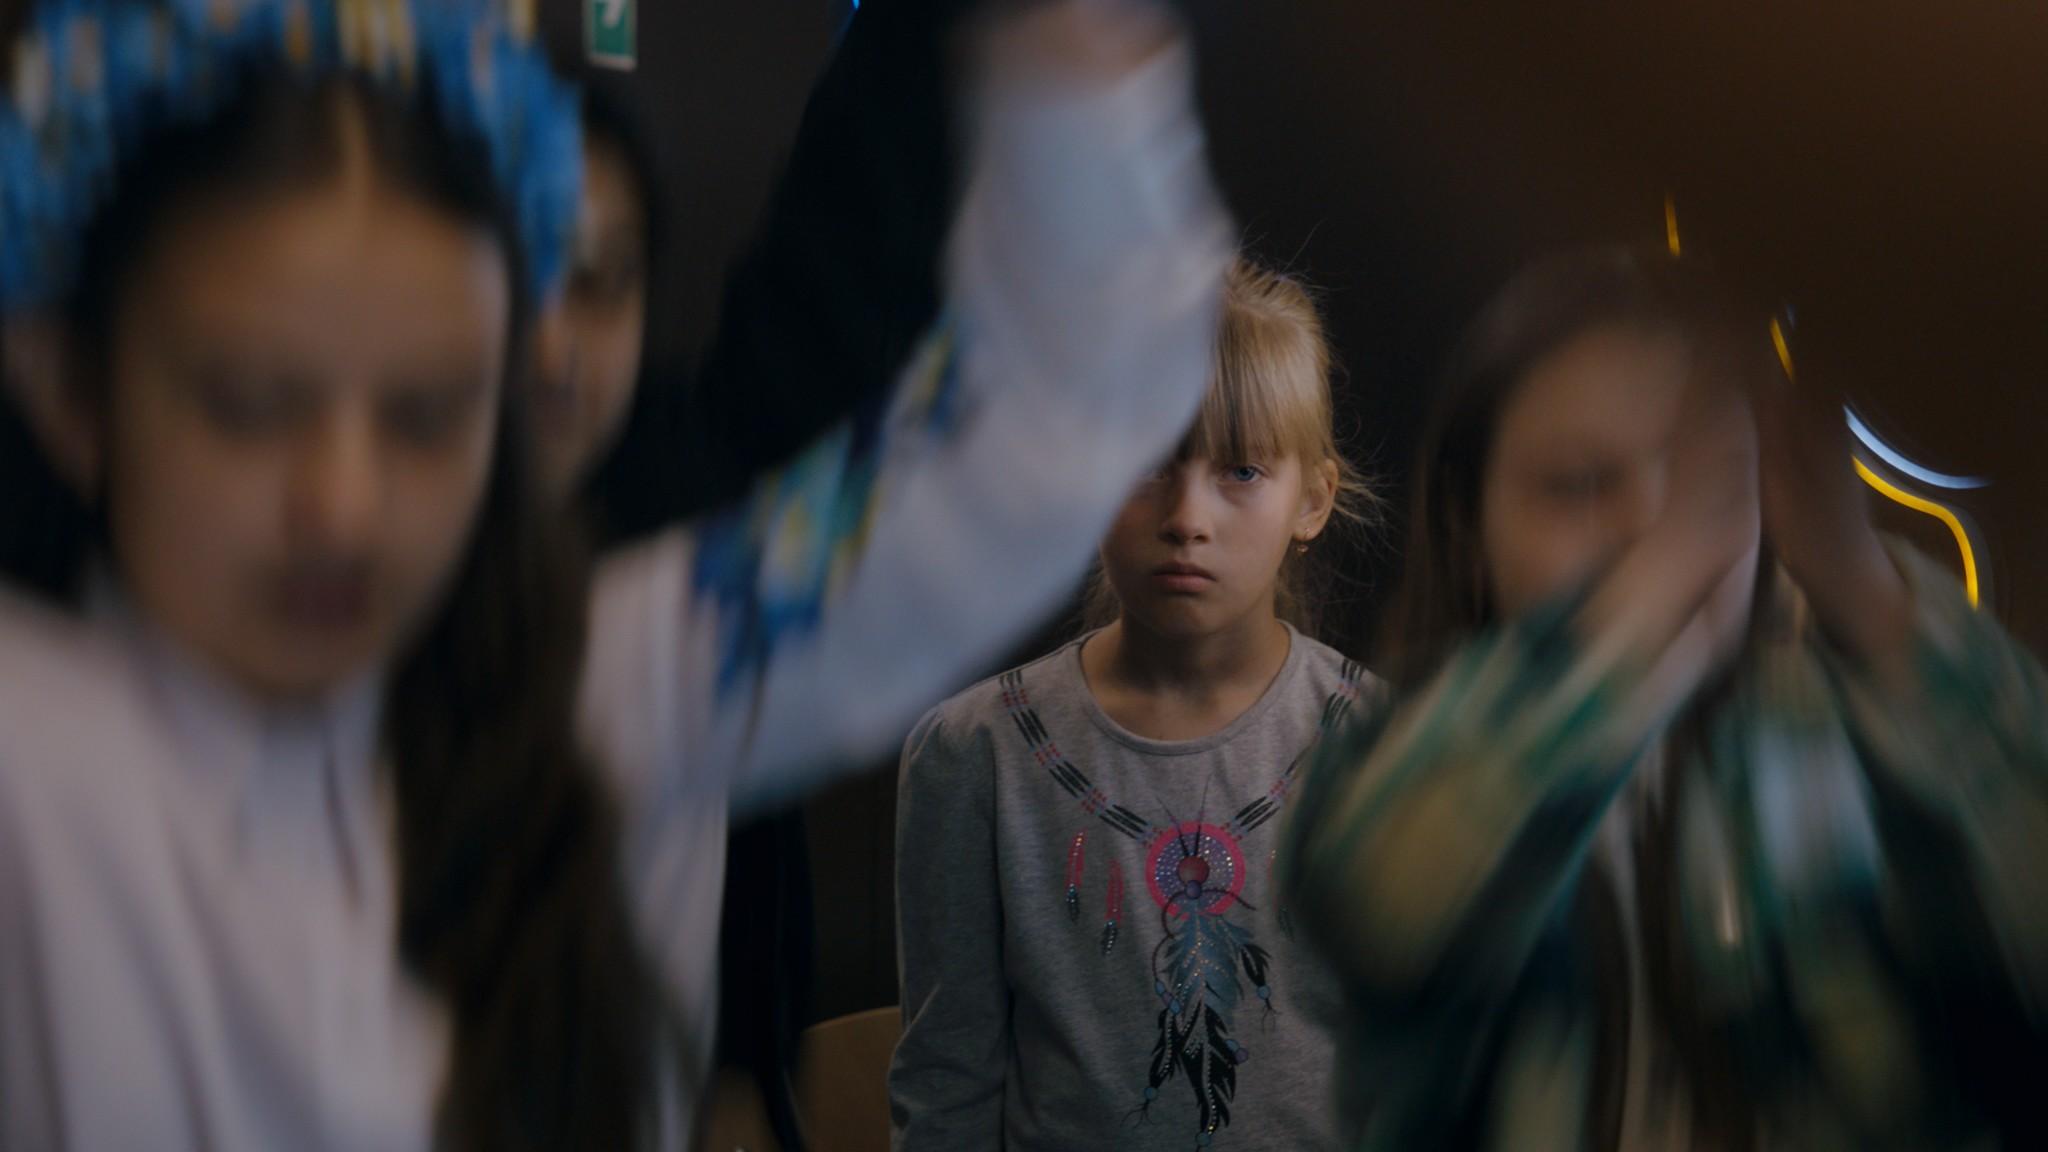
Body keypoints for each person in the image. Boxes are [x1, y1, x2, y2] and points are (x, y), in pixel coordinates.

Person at [0, 0, 1235, 1147]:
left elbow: (1039, 433)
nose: (343, 506)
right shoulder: (39, 764)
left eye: (427, 413)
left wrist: (1067, 45)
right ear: (67, 384)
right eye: (249, 403)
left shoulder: (599, 694)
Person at [1284, 248, 2048, 1150]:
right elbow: (1384, 906)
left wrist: (1872, 599)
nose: (1654, 527)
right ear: (1471, 528)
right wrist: (1644, 614)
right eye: (1579, 485)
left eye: (1711, 482)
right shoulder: (1396, 757)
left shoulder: (1870, 750)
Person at [891, 257, 1379, 1151]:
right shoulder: (977, 757)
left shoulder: (1382, 743)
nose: (1187, 517)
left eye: (1240, 470)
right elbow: (945, 1087)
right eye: (1147, 462)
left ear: (1311, 500)